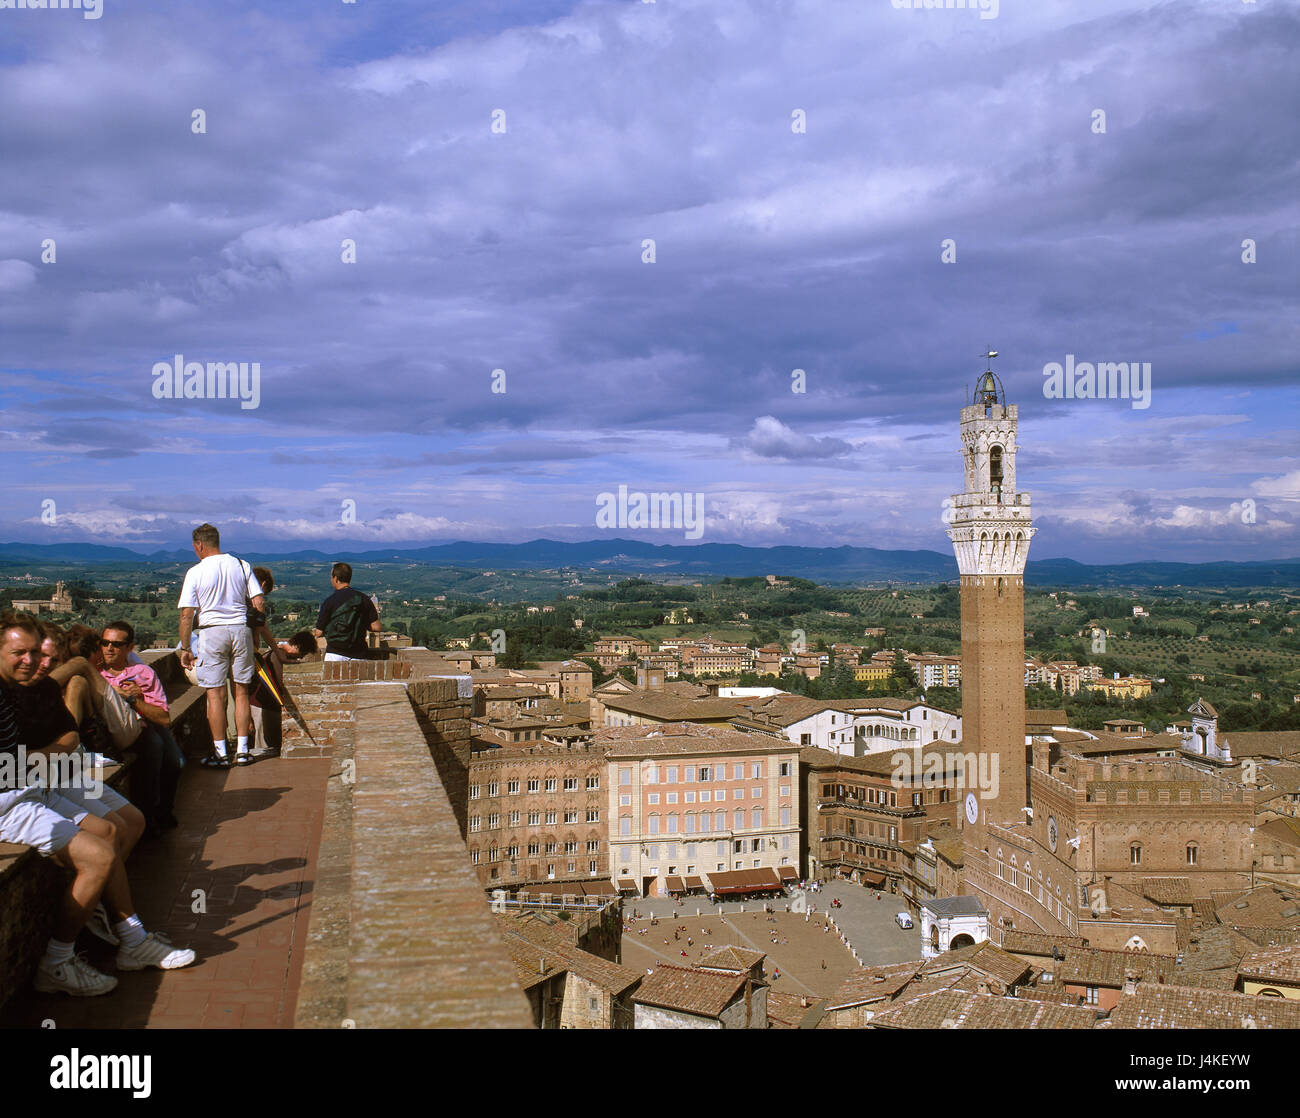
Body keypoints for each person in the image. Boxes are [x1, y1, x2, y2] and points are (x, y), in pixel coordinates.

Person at [0, 613, 195, 995]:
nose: (37, 663)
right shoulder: (34, 689)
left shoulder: (36, 688)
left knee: (131, 821)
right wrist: (51, 753)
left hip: (62, 774)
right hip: (47, 780)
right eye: (23, 654)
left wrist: (55, 751)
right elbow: (37, 755)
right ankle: (96, 933)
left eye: (46, 658)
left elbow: (71, 737)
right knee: (105, 839)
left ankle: (115, 924)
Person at [178, 523, 266, 768]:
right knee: (241, 692)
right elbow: (258, 602)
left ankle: (220, 753)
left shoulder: (195, 572)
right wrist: (255, 635)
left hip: (211, 632)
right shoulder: (241, 565)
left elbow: (187, 615)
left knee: (214, 695)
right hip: (241, 630)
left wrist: (185, 648)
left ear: (199, 545)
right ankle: (243, 750)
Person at [98, 621, 183, 836]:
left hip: (144, 723)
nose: (109, 648)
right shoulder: (95, 674)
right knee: (153, 748)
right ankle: (146, 816)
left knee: (173, 760)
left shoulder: (143, 673)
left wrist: (134, 700)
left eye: (117, 644)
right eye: (105, 642)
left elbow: (163, 717)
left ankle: (161, 811)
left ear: (129, 647)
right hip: (115, 730)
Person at [312, 563, 380, 662]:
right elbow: (377, 627)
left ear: (335, 579)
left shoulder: (329, 601)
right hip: (359, 654)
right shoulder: (363, 599)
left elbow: (318, 632)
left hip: (335, 654)